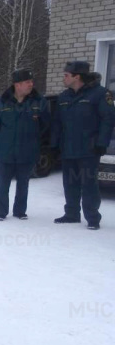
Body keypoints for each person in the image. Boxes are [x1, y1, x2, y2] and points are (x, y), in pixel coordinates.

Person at [51, 61, 115, 230]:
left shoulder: (100, 94)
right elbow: (57, 123)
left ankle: (93, 218)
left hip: (89, 149)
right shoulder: (64, 97)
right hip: (68, 149)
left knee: (89, 184)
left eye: (66, 75)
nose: (63, 78)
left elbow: (108, 120)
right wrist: (54, 145)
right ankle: (71, 214)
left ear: (76, 77)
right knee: (70, 183)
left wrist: (102, 143)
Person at [0, 69, 50, 221]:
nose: (31, 84)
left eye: (31, 81)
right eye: (27, 82)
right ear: (17, 85)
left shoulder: (38, 102)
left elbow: (45, 125)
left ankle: (20, 211)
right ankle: (1, 212)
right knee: (3, 184)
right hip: (6, 151)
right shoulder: (2, 103)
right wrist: (6, 138)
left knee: (23, 184)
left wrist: (31, 139)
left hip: (27, 151)